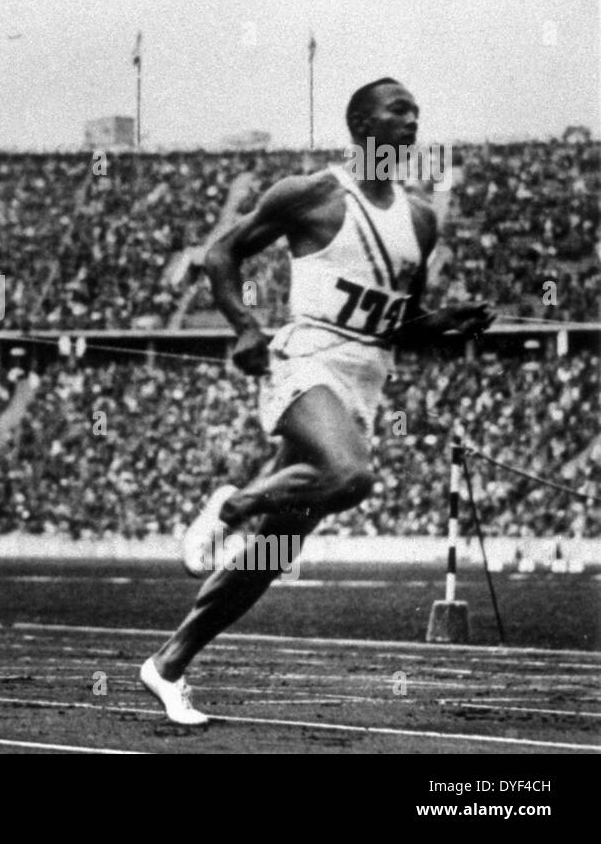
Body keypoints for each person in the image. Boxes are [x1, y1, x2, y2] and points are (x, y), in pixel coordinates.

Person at [140, 78, 495, 725]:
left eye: (417, 112)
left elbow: (395, 324)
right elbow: (222, 253)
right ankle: (233, 502)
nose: (412, 121)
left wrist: (442, 321)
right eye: (398, 110)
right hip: (304, 361)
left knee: (270, 555)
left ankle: (167, 666)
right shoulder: (314, 193)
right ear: (361, 122)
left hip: (363, 384)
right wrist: (245, 326)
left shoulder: (420, 219)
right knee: (349, 475)